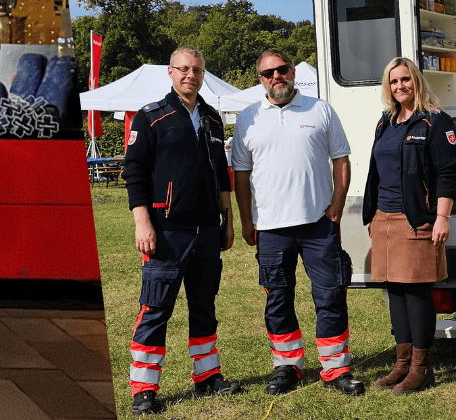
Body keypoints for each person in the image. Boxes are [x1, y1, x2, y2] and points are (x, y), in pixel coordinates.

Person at [230, 49, 363, 396]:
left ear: (291, 71)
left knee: (331, 295)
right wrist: (247, 221)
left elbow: (342, 160)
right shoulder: (248, 118)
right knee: (277, 298)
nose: (277, 76)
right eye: (268, 72)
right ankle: (287, 366)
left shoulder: (320, 110)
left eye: (282, 69)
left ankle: (336, 369)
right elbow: (240, 177)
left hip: (319, 225)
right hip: (271, 228)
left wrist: (336, 204)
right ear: (260, 79)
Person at [121, 45, 240, 415]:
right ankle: (144, 389)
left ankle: (207, 378)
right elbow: (134, 173)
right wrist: (143, 222)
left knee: (204, 307)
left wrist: (229, 219)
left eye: (198, 70)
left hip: (207, 230)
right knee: (155, 309)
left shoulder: (212, 118)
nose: (191, 75)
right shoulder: (150, 117)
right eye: (184, 69)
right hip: (166, 232)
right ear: (170, 73)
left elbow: (222, 174)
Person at [362, 57, 456, 395]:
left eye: (405, 79)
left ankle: (422, 367)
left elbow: (448, 173)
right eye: (393, 81)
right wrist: (373, 217)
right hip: (384, 218)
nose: (400, 86)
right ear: (387, 88)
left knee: (417, 291)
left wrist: (442, 217)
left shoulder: (435, 121)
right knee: (396, 291)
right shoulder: (385, 122)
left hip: (417, 218)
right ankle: (402, 363)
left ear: (416, 81)